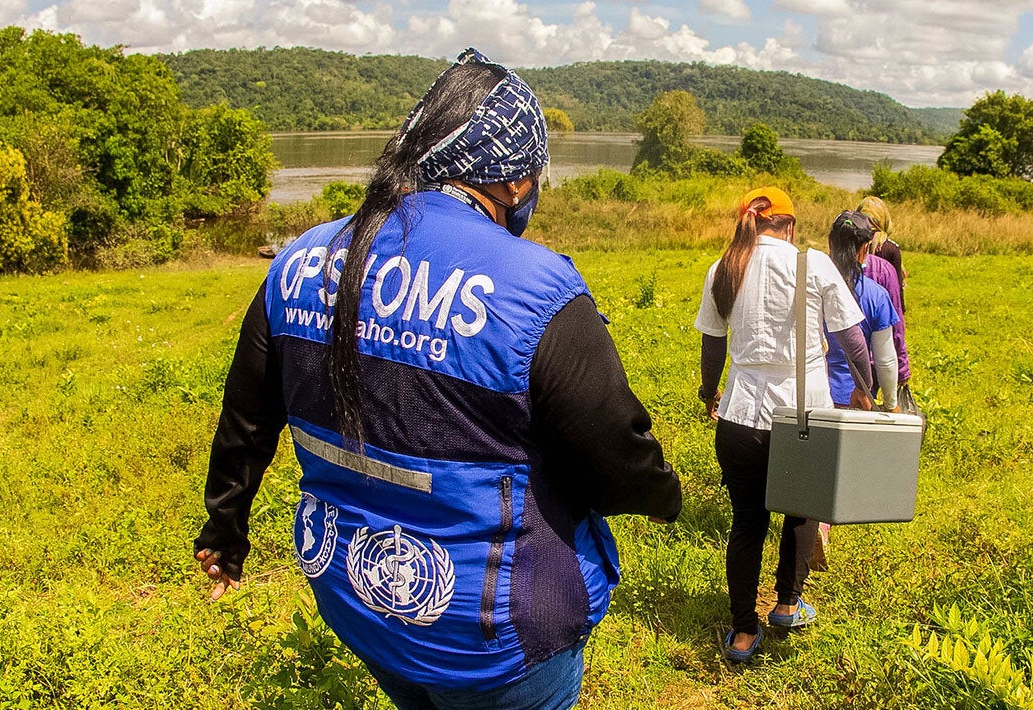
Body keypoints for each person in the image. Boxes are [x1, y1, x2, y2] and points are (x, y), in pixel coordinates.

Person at [193, 49, 682, 709]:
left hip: (356, 596)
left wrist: (225, 529)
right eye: (537, 176)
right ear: (513, 184)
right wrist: (663, 495)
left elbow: (247, 420)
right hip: (491, 635)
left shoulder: (302, 258)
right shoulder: (537, 287)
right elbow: (613, 454)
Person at [694, 187, 875, 662]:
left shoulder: (723, 269)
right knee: (800, 512)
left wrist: (708, 392)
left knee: (747, 523)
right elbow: (853, 341)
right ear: (790, 226)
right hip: (804, 415)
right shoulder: (813, 265)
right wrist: (866, 389)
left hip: (740, 416)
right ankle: (787, 605)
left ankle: (741, 632)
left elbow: (713, 347)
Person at [824, 211, 900, 411]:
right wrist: (891, 404)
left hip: (812, 392)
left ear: (830, 243)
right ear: (866, 247)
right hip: (857, 398)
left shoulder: (810, 287)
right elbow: (885, 361)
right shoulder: (877, 295)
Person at [856, 196, 911, 394]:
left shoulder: (847, 241)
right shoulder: (890, 249)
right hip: (880, 342)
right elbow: (897, 306)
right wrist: (902, 365)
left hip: (849, 343)